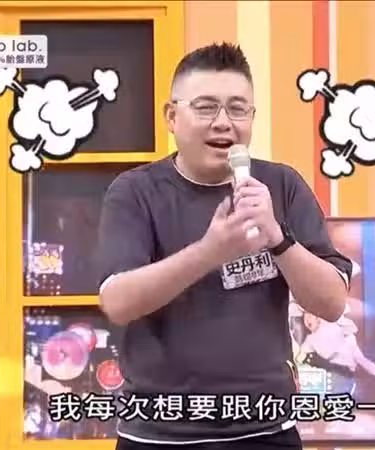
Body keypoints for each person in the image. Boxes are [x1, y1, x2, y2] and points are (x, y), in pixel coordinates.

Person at [96, 42, 353, 449]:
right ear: (171, 117)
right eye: (205, 108)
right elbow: (118, 302)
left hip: (267, 431)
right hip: (159, 435)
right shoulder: (134, 192)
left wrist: (278, 238)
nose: (223, 123)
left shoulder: (282, 185)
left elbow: (332, 303)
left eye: (237, 109)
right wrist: (209, 252)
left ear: (252, 118)